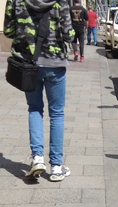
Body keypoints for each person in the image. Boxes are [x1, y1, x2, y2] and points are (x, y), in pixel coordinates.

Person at [3, 0, 74, 181]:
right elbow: (68, 35)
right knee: (57, 113)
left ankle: (37, 158)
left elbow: (9, 30)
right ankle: (57, 167)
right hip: (54, 63)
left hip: (28, 64)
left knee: (34, 108)